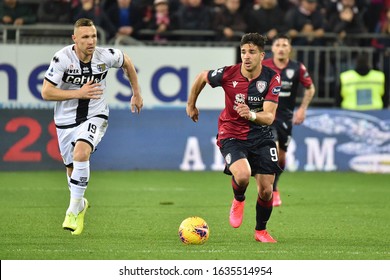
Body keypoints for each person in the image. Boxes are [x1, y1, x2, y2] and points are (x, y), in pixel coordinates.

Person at [41, 18, 143, 235]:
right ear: (74, 39)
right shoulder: (61, 59)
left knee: (81, 152)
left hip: (96, 114)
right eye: (85, 37)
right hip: (65, 121)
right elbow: (47, 92)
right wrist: (78, 93)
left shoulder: (105, 56)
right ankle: (80, 204)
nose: (91, 41)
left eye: (94, 36)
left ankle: (71, 211)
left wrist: (136, 92)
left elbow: (127, 61)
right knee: (71, 170)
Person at [186, 33, 282, 243]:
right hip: (231, 133)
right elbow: (202, 76)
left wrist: (252, 115)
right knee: (243, 175)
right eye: (243, 52)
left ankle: (260, 231)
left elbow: (269, 117)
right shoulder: (228, 73)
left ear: (261, 55)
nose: (246, 56)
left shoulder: (272, 77)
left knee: (266, 190)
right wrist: (191, 104)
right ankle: (239, 199)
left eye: (252, 52)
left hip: (261, 135)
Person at [262, 34, 315, 206]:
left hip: (286, 117)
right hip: (268, 115)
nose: (281, 48)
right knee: (274, 150)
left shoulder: (297, 67)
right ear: (273, 49)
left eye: (285, 45)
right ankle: (267, 189)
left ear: (289, 49)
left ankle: (275, 188)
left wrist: (302, 109)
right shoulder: (264, 66)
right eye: (278, 44)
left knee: (282, 157)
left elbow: (310, 88)